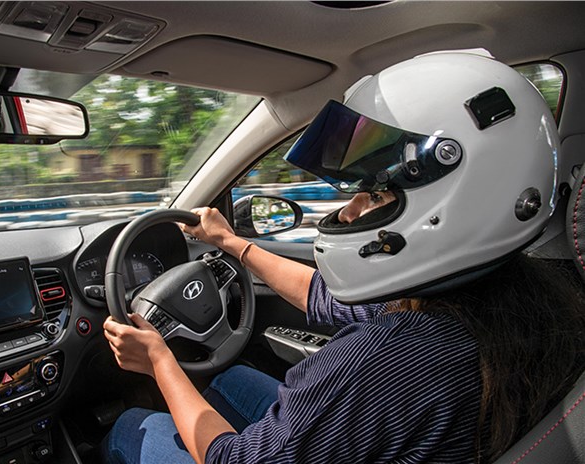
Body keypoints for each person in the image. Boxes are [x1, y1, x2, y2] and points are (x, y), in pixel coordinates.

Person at [102, 50, 584, 464]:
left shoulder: (383, 361)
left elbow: (234, 457)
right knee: (230, 378)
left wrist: (159, 361)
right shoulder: (531, 297)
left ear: (458, 196)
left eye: (374, 195)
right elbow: (323, 297)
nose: (349, 212)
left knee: (130, 426)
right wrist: (233, 244)